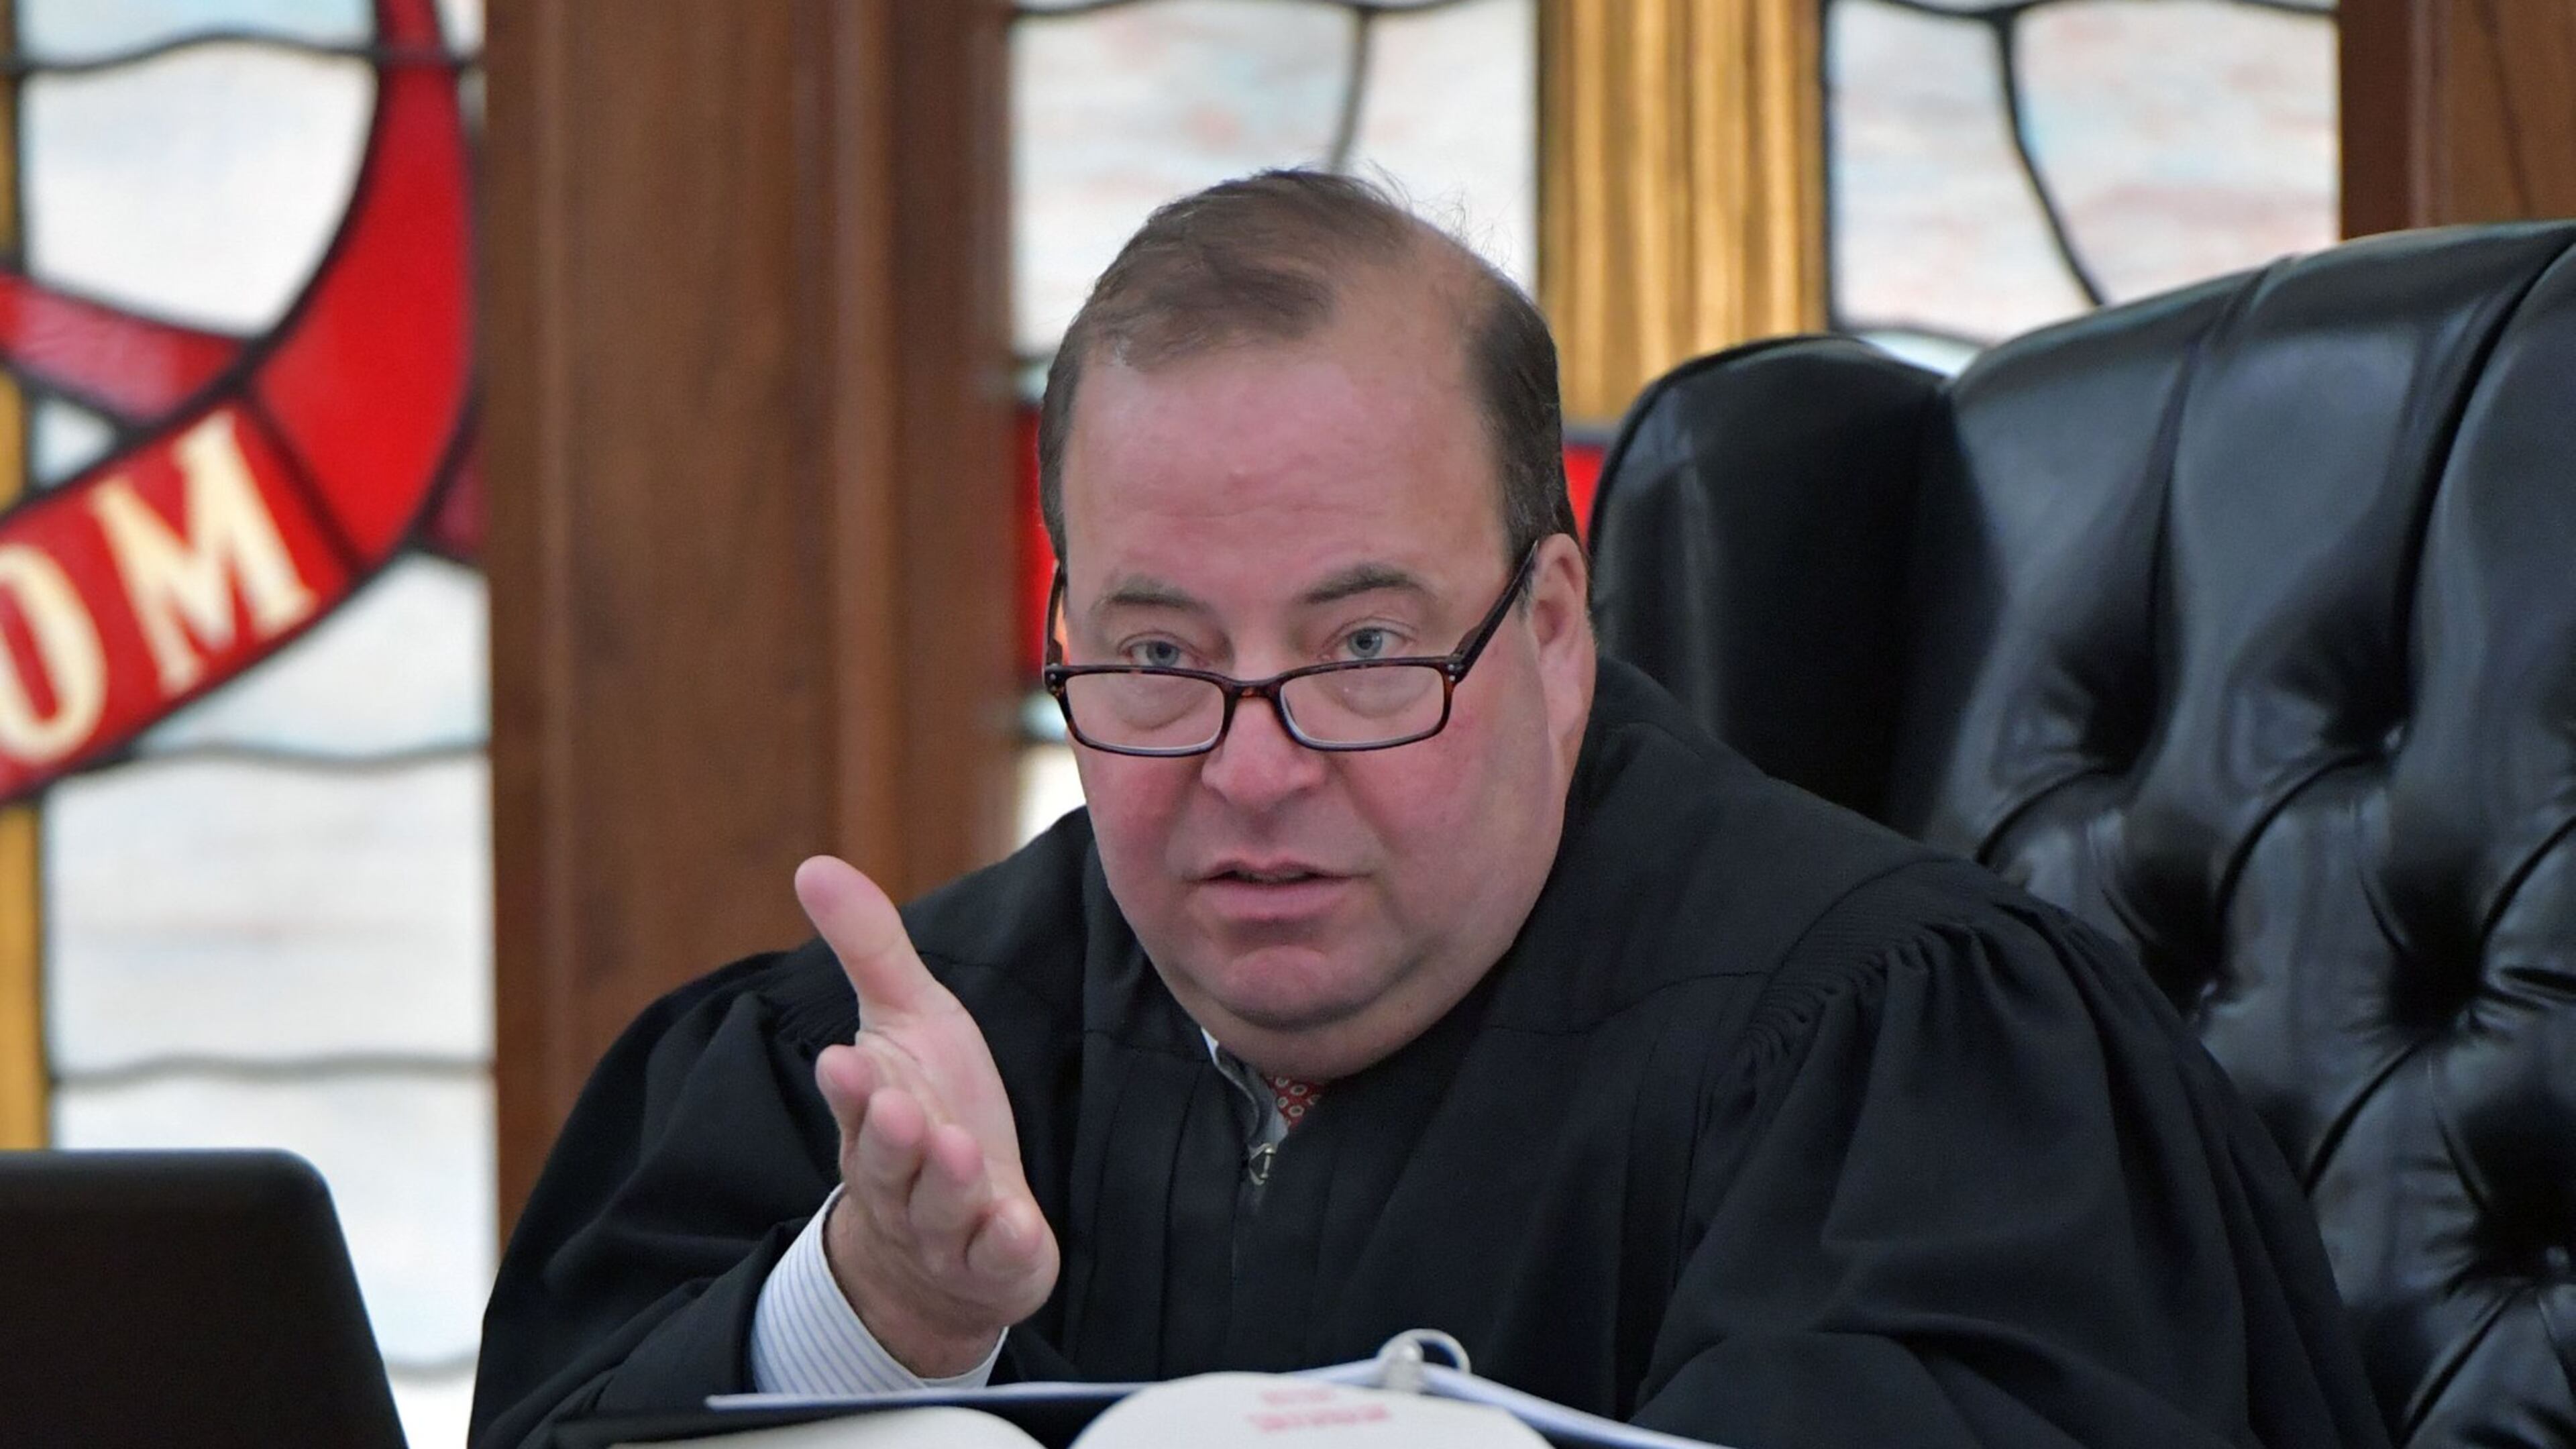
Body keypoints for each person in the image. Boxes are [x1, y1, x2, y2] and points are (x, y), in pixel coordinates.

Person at [470, 171, 2386, 1449]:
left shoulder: (1906, 1061)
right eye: (1156, 656)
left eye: (1365, 647)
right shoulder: (875, 1082)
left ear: (1550, 633)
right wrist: (870, 1318)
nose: (1252, 768)